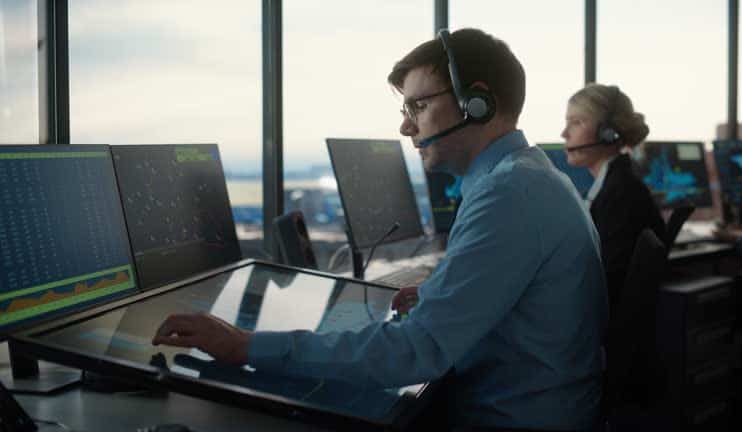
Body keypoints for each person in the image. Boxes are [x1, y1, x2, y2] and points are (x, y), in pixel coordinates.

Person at [154, 28, 607, 431]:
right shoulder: (527, 176)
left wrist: (247, 346)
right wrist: (440, 295)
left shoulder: (509, 194)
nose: (406, 124)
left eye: (419, 105)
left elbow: (416, 351)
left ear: (477, 102)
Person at [561, 83, 665, 312]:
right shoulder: (617, 185)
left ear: (609, 133)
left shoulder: (620, 195)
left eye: (576, 122)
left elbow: (605, 280)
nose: (564, 134)